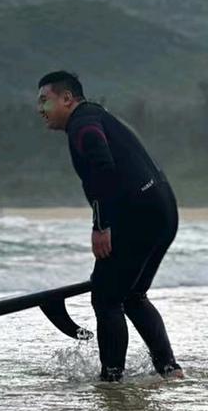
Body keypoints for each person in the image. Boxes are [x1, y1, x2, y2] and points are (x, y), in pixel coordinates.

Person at [36, 70, 184, 382]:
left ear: (67, 98)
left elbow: (102, 166)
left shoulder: (83, 122)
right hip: (163, 208)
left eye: (44, 100)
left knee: (106, 298)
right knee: (132, 295)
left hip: (140, 213)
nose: (41, 109)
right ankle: (170, 371)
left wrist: (101, 225)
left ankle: (112, 380)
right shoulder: (98, 116)